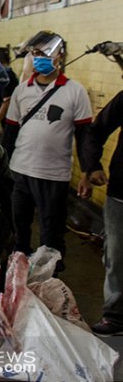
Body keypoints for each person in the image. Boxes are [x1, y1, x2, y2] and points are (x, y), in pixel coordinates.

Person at [2, 31, 92, 272]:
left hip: (54, 175)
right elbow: (10, 133)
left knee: (52, 234)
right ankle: (18, 282)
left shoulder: (75, 91)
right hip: (21, 170)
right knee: (18, 229)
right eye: (34, 53)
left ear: (59, 56)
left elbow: (84, 136)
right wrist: (3, 168)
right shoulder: (22, 91)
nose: (38, 58)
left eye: (44, 53)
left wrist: (87, 171)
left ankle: (49, 283)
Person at [78, 90, 123, 334]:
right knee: (117, 257)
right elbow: (95, 131)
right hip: (121, 194)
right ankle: (114, 317)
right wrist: (92, 166)